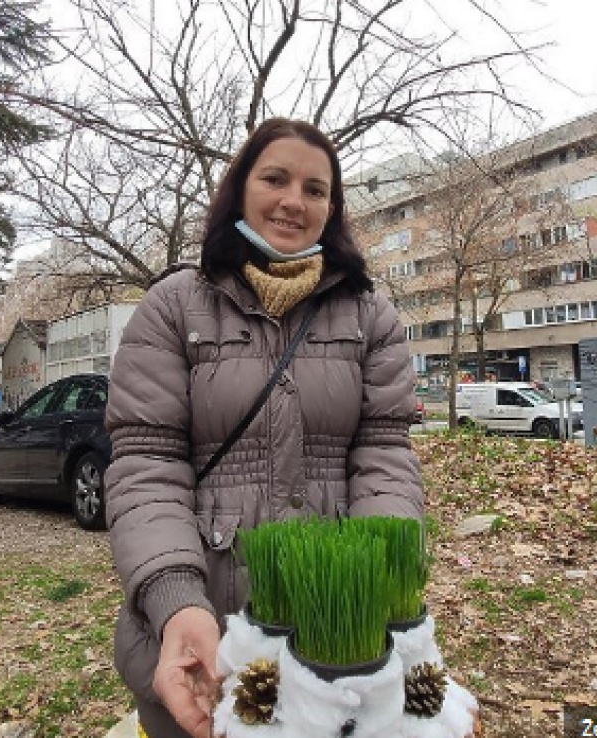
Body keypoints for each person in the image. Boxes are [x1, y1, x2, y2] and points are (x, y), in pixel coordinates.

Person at [103, 118, 424, 738]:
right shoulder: (173, 305)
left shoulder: (370, 313)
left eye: (315, 189)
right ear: (239, 189)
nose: (293, 202)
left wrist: (374, 591)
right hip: (208, 627)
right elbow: (147, 465)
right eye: (275, 179)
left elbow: (385, 454)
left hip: (335, 638)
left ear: (332, 208)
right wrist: (176, 602)